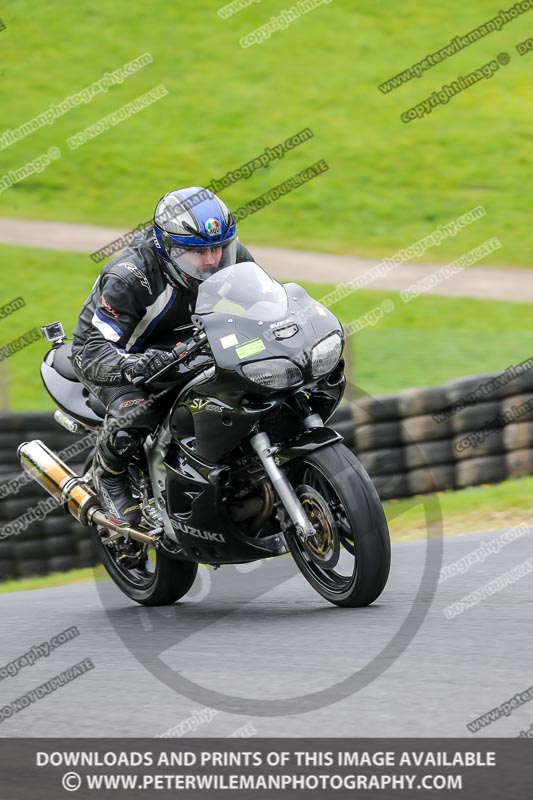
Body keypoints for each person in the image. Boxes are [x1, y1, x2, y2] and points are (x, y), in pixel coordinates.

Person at [71, 187, 255, 527]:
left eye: (218, 247)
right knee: (139, 411)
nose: (212, 260)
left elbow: (263, 302)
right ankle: (109, 474)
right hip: (115, 354)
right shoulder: (130, 277)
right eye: (198, 252)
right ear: (168, 247)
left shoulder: (230, 256)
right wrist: (135, 365)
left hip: (186, 344)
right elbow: (94, 347)